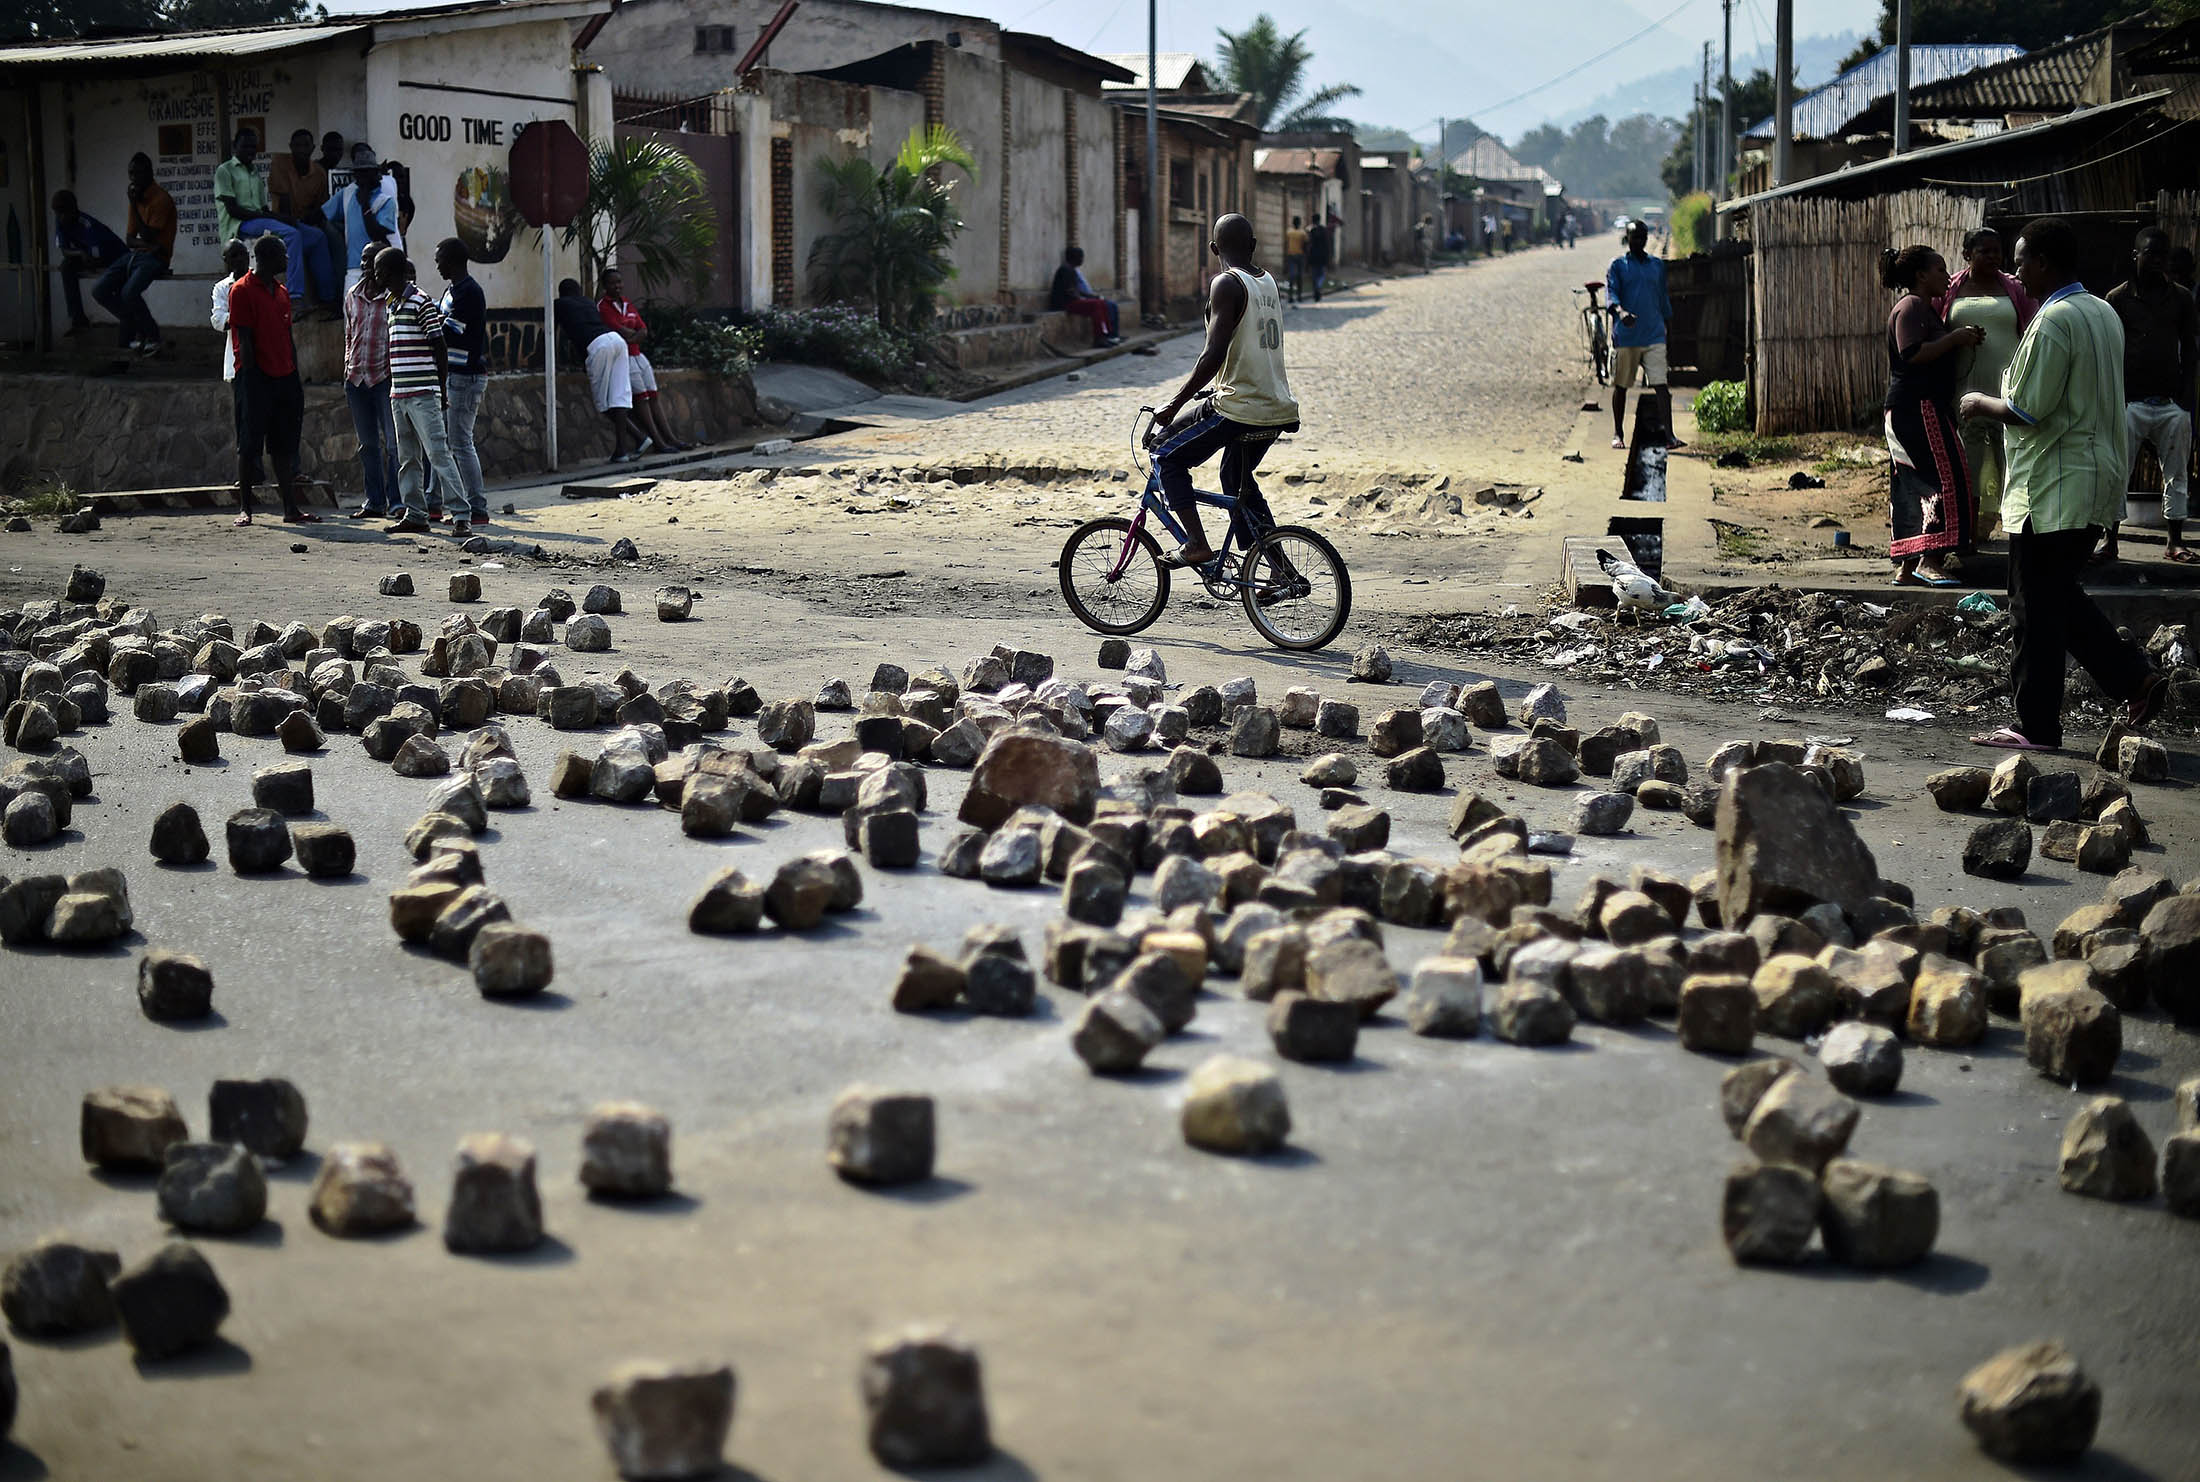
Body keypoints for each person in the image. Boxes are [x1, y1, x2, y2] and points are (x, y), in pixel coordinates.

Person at [1959, 216, 2166, 751]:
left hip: (2052, 486)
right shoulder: (2102, 312)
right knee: (2056, 599)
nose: (2016, 270)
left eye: (2022, 259)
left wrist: (1978, 403)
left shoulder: (2055, 320)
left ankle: (2038, 728)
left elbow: (2028, 408)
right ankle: (2134, 679)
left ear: (2045, 263)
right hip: (2092, 481)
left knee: (2032, 606)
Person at [1145, 213, 1299, 571]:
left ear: (1213, 248)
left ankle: (1196, 543)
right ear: (1254, 246)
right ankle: (1279, 568)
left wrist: (1174, 403)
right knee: (1236, 480)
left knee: (1165, 454)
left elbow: (1212, 355)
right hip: (1276, 406)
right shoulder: (1268, 282)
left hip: (1238, 407)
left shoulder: (1226, 284)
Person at [1881, 245, 1981, 587]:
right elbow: (1911, 353)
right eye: (1940, 270)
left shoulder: (1925, 309)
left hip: (1913, 407)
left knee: (1912, 483)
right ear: (1921, 275)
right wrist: (1953, 339)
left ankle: (1908, 565)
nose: (1947, 276)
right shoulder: (1911, 306)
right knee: (1945, 479)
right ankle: (1929, 560)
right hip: (1917, 408)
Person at [2104, 228, 2197, 564]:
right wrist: (2115, 399)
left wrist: (2186, 399)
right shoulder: (2117, 298)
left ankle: (2174, 542)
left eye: (2162, 255)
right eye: (2149, 254)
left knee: (2177, 473)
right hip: (2130, 402)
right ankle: (2110, 541)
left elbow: (2190, 349)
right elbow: (2108, 351)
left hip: (2170, 402)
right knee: (2117, 472)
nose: (2156, 260)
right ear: (2135, 256)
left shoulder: (2182, 298)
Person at [1936, 228, 2035, 543]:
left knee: (2011, 455)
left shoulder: (2015, 288)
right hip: (1965, 388)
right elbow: (1936, 333)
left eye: (1997, 251)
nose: (1993, 257)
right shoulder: (1950, 288)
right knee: (1970, 459)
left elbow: (2032, 331)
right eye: (1985, 252)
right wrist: (1957, 337)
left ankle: (2015, 527)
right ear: (1967, 255)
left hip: (2008, 388)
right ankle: (1969, 528)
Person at [377, 247, 470, 536]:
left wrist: (440, 390)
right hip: (399, 394)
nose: (375, 275)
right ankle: (415, 513)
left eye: (379, 270)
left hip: (423, 392)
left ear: (391, 272)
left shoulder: (421, 302)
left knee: (438, 454)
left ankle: (461, 516)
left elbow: (439, 347)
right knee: (408, 459)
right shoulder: (389, 302)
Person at [226, 234, 317, 526]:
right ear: (266, 257)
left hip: (284, 376)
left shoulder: (281, 291)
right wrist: (253, 382)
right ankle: (245, 508)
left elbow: (287, 336)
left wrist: (293, 375)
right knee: (249, 444)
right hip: (255, 377)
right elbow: (245, 339)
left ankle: (290, 508)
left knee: (283, 445)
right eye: (282, 255)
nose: (287, 260)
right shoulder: (241, 290)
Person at [215, 127, 337, 314]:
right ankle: (295, 297)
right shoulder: (225, 170)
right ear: (235, 146)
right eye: (245, 146)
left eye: (253, 147)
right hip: (239, 225)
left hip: (259, 220)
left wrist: (279, 218)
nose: (249, 151)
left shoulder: (254, 172)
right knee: (292, 233)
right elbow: (234, 210)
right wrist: (272, 218)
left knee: (317, 237)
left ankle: (327, 298)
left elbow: (263, 208)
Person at [1605, 219, 1681, 452]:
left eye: (1641, 237)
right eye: (1633, 237)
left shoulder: (1657, 266)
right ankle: (1618, 433)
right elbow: (1611, 296)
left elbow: (1662, 299)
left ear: (1646, 239)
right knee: (1621, 386)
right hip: (1627, 337)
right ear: (1627, 239)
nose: (1638, 241)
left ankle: (1669, 435)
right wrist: (1621, 312)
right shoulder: (1617, 266)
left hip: (1654, 334)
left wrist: (1670, 327)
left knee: (1660, 386)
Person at [434, 237, 493, 527]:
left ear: (453, 260)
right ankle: (463, 506)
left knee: (460, 442)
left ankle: (477, 508)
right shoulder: (453, 290)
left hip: (465, 376)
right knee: (451, 442)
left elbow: (450, 330)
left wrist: (430, 318)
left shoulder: (469, 291)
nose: (437, 265)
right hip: (456, 376)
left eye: (440, 259)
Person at [597, 268, 689, 453]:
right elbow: (619, 331)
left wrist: (634, 334)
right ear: (605, 286)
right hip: (624, 359)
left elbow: (642, 329)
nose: (618, 286)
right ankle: (658, 443)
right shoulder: (603, 307)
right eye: (613, 283)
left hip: (638, 355)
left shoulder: (627, 304)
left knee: (653, 396)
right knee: (642, 400)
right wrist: (633, 333)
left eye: (620, 282)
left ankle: (671, 438)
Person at [556, 277, 648, 464]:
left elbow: (556, 333)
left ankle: (637, 438)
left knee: (603, 402)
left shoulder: (559, 304)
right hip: (616, 341)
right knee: (619, 397)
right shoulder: (589, 302)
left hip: (598, 346)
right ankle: (624, 449)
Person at [91, 153, 174, 354]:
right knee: (99, 290)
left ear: (149, 173)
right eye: (130, 174)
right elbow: (130, 240)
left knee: (129, 293)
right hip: (137, 256)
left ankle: (153, 335)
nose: (133, 179)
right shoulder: (137, 199)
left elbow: (147, 235)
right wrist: (144, 243)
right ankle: (133, 323)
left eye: (137, 173)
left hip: (157, 258)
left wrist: (135, 209)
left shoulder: (161, 199)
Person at [342, 243, 399, 519]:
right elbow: (349, 335)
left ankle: (397, 501)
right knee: (367, 445)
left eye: (370, 260)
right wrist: (347, 368)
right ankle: (374, 501)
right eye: (362, 259)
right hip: (356, 380)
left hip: (384, 379)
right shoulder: (352, 295)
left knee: (394, 444)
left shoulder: (393, 297)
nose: (365, 265)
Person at [209, 238, 260, 498]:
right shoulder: (223, 288)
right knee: (244, 419)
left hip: (263, 359)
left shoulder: (259, 284)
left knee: (266, 417)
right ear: (227, 262)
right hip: (238, 361)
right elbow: (218, 320)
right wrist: (241, 317)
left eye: (243, 255)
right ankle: (248, 473)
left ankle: (261, 470)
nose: (240, 261)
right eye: (234, 257)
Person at [269, 126, 343, 283]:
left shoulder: (319, 173)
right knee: (312, 237)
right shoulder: (280, 164)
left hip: (306, 221)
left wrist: (311, 221)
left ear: (313, 148)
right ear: (291, 147)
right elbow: (284, 205)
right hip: (283, 222)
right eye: (297, 145)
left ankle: (330, 295)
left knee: (332, 237)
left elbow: (320, 207)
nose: (301, 150)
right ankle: (298, 296)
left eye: (306, 146)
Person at [325, 144, 400, 293]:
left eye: (366, 173)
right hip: (354, 267)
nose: (362, 178)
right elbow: (324, 215)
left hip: (381, 268)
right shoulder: (348, 195)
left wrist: (365, 204)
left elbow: (377, 234)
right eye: (359, 174)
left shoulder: (385, 200)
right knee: (352, 313)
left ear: (375, 174)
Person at [49, 190, 124, 337]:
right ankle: (78, 319)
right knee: (66, 267)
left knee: (118, 286)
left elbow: (96, 260)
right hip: (89, 255)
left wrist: (85, 257)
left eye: (63, 213)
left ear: (73, 210)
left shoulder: (88, 225)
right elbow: (65, 251)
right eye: (57, 213)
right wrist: (81, 253)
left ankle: (134, 324)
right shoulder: (60, 220)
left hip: (115, 256)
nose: (60, 217)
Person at [1048, 247, 1119, 347]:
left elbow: (1077, 290)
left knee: (1101, 303)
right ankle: (1099, 338)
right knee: (1097, 305)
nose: (1082, 260)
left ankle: (1106, 335)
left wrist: (1092, 297)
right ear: (1074, 258)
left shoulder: (1071, 270)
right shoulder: (1065, 270)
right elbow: (1070, 291)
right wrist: (1082, 299)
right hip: (1065, 304)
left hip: (1071, 301)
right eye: (1081, 257)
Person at [1305, 214, 1331, 303]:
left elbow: (1308, 244)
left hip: (1313, 256)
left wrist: (1307, 257)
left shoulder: (1310, 230)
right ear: (1319, 220)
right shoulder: (1324, 230)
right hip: (1322, 256)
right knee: (1322, 274)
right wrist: (1328, 257)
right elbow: (1327, 245)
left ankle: (1316, 288)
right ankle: (1318, 286)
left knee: (1314, 275)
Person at [1282, 215, 1307, 305]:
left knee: (1292, 276)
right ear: (1299, 223)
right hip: (1299, 256)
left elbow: (1286, 244)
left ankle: (1291, 296)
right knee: (1298, 277)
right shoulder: (1302, 233)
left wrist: (1285, 257)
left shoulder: (1289, 232)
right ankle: (1298, 296)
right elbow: (1305, 245)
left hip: (1291, 255)